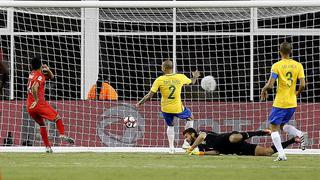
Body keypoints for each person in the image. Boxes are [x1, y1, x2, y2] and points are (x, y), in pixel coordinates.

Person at [135, 59, 200, 153]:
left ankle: (171, 148)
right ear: (172, 68)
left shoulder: (159, 80)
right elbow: (192, 82)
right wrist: (195, 76)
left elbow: (149, 95)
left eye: (161, 66)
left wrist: (139, 103)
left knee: (170, 125)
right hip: (177, 108)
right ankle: (186, 142)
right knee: (190, 117)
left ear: (164, 68)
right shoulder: (180, 77)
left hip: (165, 108)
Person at [260, 42, 306, 161]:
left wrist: (263, 89)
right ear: (290, 52)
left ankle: (281, 154)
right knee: (282, 126)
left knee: (273, 127)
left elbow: (270, 85)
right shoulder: (298, 65)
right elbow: (303, 85)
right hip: (292, 103)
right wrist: (296, 93)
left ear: (280, 52)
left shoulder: (277, 65)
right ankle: (300, 134)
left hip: (281, 102)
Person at [26, 57, 74, 153]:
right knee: (57, 118)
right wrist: (36, 100)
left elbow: (51, 77)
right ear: (40, 65)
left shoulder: (31, 74)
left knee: (42, 125)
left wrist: (48, 70)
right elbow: (35, 87)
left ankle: (48, 147)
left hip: (29, 107)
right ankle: (62, 134)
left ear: (31, 66)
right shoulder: (40, 76)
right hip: (39, 104)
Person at [183, 128, 300, 156]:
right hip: (235, 149)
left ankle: (260, 132)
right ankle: (292, 140)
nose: (186, 139)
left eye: (186, 136)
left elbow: (201, 137)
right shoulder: (201, 148)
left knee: (234, 138)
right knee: (267, 152)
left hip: (227, 138)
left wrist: (192, 148)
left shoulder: (201, 133)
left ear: (192, 134)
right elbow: (216, 152)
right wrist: (200, 153)